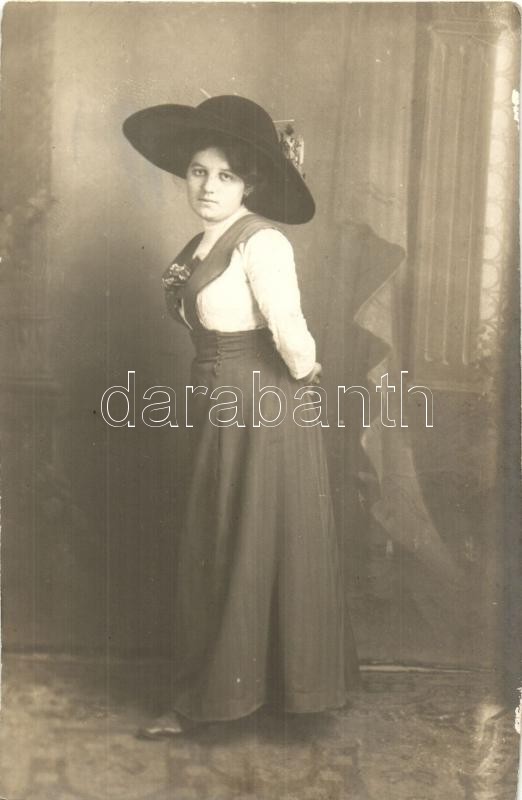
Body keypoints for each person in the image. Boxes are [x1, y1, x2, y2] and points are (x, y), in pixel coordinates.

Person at [123, 95, 359, 735]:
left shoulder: (263, 241)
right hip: (218, 395)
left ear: (249, 183)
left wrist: (304, 372)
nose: (208, 186)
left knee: (243, 534)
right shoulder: (202, 243)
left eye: (225, 175)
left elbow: (290, 330)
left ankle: (226, 699)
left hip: (258, 400)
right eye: (198, 171)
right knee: (223, 534)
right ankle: (227, 690)